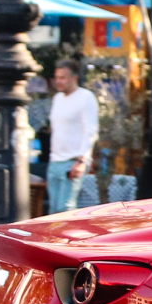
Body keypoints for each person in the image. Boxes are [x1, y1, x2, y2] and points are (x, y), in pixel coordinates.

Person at [44, 61, 100, 213]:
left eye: (63, 78)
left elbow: (91, 130)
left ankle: (66, 238)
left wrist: (82, 160)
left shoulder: (85, 97)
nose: (58, 81)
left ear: (74, 78)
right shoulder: (57, 99)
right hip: (55, 160)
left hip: (73, 160)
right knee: (53, 209)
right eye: (57, 77)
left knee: (65, 208)